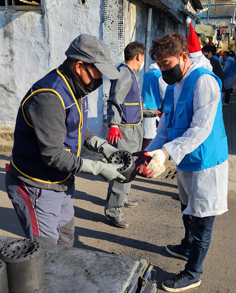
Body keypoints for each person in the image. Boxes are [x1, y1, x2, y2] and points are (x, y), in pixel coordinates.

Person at [5, 34, 126, 247]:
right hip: (38, 186)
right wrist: (98, 169)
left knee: (66, 241)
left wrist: (101, 145)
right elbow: (53, 154)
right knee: (46, 253)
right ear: (80, 66)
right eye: (98, 74)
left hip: (62, 182)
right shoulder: (49, 96)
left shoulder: (77, 88)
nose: (100, 81)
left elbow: (76, 127)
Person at [134, 31, 228, 292]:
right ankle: (186, 247)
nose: (164, 70)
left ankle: (193, 272)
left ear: (184, 57)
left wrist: (165, 154)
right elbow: (165, 126)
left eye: (167, 64)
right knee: (187, 208)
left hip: (207, 163)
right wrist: (149, 152)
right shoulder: (175, 86)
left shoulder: (205, 82)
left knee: (202, 219)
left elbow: (200, 128)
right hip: (185, 159)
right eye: (160, 65)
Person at [105, 41, 146, 229]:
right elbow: (115, 100)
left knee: (132, 165)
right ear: (139, 56)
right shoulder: (123, 73)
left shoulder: (132, 74)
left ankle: (123, 198)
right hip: (124, 130)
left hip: (134, 128)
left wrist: (153, 112)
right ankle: (113, 210)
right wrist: (113, 124)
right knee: (123, 168)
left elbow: (134, 104)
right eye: (143, 57)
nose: (143, 61)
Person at [141, 63, 167, 150]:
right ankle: (145, 159)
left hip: (144, 105)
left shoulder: (147, 74)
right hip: (153, 107)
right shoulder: (159, 75)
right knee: (150, 136)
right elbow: (164, 93)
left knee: (146, 134)